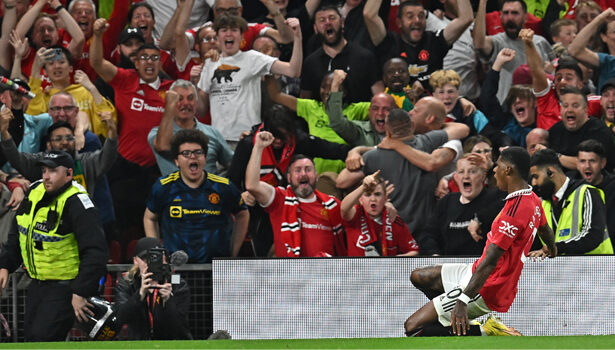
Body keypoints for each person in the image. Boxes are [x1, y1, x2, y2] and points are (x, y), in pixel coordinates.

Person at [404, 146, 556, 337]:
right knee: (418, 276)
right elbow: (545, 229)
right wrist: (551, 248)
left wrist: (462, 301)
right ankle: (459, 321)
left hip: (488, 286)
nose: (494, 170)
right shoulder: (532, 199)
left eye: (498, 165)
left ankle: (484, 329)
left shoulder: (512, 214)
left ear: (508, 170)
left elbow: (490, 263)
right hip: (476, 271)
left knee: (413, 327)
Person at [0, 150, 108, 341]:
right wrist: (5, 265)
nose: (46, 177)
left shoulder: (78, 202)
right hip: (37, 285)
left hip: (65, 288)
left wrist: (80, 292)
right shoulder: (34, 191)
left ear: (69, 174)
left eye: (52, 171)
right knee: (31, 340)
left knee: (43, 340)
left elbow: (96, 251)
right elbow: (19, 233)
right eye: (43, 170)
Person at [336, 108, 469, 248]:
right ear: (412, 125)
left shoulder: (373, 157)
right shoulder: (427, 142)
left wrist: (358, 153)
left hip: (391, 237)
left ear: (387, 132)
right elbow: (463, 129)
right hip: (425, 236)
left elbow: (342, 181)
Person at [144, 129, 249, 263]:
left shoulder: (224, 187)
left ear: (205, 157)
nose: (192, 157)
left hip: (216, 267)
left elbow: (243, 214)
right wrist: (158, 255)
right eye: (186, 153)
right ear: (176, 161)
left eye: (198, 152)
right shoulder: (164, 187)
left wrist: (233, 253)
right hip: (176, 268)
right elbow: (149, 217)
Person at [197, 14, 302, 145]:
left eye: (234, 30)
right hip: (218, 141)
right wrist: (195, 84)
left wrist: (297, 37)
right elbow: (201, 111)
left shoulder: (253, 58)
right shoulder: (210, 63)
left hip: (248, 138)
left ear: (241, 37)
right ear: (217, 37)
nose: (229, 34)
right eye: (224, 30)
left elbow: (293, 71)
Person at [245, 131, 347, 257]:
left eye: (308, 170)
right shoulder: (279, 199)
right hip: (290, 274)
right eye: (297, 170)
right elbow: (252, 185)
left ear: (316, 176)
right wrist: (258, 147)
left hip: (324, 274)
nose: (303, 174)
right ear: (289, 178)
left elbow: (356, 219)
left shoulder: (332, 204)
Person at [363, 0, 473, 91]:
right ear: (399, 22)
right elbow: (369, 14)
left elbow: (465, 19)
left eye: (421, 16)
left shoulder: (434, 41)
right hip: (397, 111)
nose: (417, 20)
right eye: (410, 16)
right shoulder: (389, 42)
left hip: (432, 108)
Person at [529, 148, 613, 255]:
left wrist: (557, 248)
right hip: (566, 269)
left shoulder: (586, 192)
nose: (533, 183)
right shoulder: (543, 204)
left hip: (599, 268)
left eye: (536, 177)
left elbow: (593, 236)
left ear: (550, 172)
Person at [419, 154, 506, 256]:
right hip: (450, 266)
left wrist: (492, 166)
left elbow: (518, 192)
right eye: (461, 172)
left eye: (472, 171)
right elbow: (428, 235)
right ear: (455, 177)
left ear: (483, 176)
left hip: (481, 266)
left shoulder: (495, 197)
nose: (466, 176)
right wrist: (434, 255)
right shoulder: (446, 202)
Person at [473, 0, 554, 104]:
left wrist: (553, 71)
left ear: (526, 17)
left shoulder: (540, 42)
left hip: (538, 107)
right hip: (507, 108)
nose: (510, 18)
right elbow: (479, 43)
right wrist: (482, 3)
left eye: (515, 13)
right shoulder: (497, 42)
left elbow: (554, 71)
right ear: (501, 17)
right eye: (506, 13)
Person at [300, 4, 382, 103]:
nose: (327, 23)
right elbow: (304, 102)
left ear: (342, 22)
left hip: (359, 117)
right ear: (315, 29)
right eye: (322, 20)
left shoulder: (365, 57)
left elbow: (380, 97)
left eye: (332, 18)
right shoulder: (310, 63)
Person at [522, 28, 601, 130]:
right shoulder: (546, 99)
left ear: (580, 84)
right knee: (536, 135)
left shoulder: (592, 104)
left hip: (579, 145)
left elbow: (610, 101)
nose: (562, 82)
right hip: (546, 145)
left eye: (569, 78)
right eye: (559, 78)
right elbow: (536, 71)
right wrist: (529, 45)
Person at [149, 81, 233, 177]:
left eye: (190, 98)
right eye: (179, 99)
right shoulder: (156, 134)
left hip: (211, 190)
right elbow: (163, 147)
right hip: (175, 190)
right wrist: (169, 106)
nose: (185, 103)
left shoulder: (212, 132)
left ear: (196, 102)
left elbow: (232, 163)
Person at [114, 237, 192, 340]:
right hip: (139, 343)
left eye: (156, 259)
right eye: (145, 259)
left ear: (164, 259)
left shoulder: (177, 284)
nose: (150, 264)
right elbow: (120, 318)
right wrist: (140, 294)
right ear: (135, 261)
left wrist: (168, 301)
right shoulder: (127, 283)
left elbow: (179, 327)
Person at [341, 170, 419, 257]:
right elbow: (344, 208)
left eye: (377, 194)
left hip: (386, 270)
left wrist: (392, 262)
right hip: (357, 269)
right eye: (368, 194)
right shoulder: (355, 215)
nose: (373, 199)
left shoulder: (394, 219)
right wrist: (363, 186)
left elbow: (414, 251)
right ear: (360, 200)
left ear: (385, 198)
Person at [546, 87, 615, 172]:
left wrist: (553, 156)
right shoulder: (556, 130)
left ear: (586, 109)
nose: (569, 110)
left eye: (575, 106)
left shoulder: (599, 130)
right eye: (565, 106)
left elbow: (587, 165)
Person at [13, 0, 85, 78]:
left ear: (58, 35)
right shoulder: (29, 55)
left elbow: (79, 39)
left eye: (50, 29)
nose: (46, 33)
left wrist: (58, 6)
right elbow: (18, 36)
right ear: (32, 37)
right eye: (41, 30)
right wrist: (41, 2)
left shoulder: (62, 55)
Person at [480, 48, 536, 147]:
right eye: (513, 98)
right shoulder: (505, 122)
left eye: (523, 97)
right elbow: (487, 98)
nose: (517, 101)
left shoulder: (544, 123)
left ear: (535, 103)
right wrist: (498, 64)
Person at [576, 139, 615, 244]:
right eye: (582, 161)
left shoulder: (613, 186)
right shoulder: (572, 188)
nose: (587, 166)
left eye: (592, 161)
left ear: (603, 163)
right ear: (577, 164)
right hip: (580, 253)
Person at [567, 8, 615, 93]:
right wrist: (600, 18)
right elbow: (574, 50)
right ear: (604, 37)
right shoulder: (607, 61)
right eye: (614, 32)